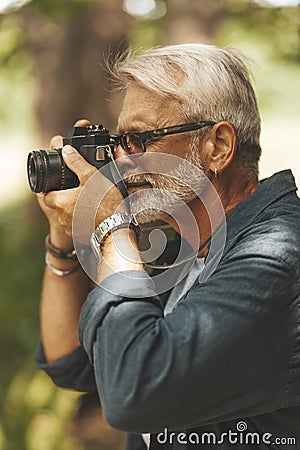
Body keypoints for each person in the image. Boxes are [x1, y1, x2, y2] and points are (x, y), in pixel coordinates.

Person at [36, 43, 300, 449]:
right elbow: (71, 363)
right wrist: (61, 236)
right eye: (119, 141)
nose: (121, 161)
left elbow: (134, 394)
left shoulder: (277, 253)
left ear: (219, 146)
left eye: (138, 139)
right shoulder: (185, 244)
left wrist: (111, 224)